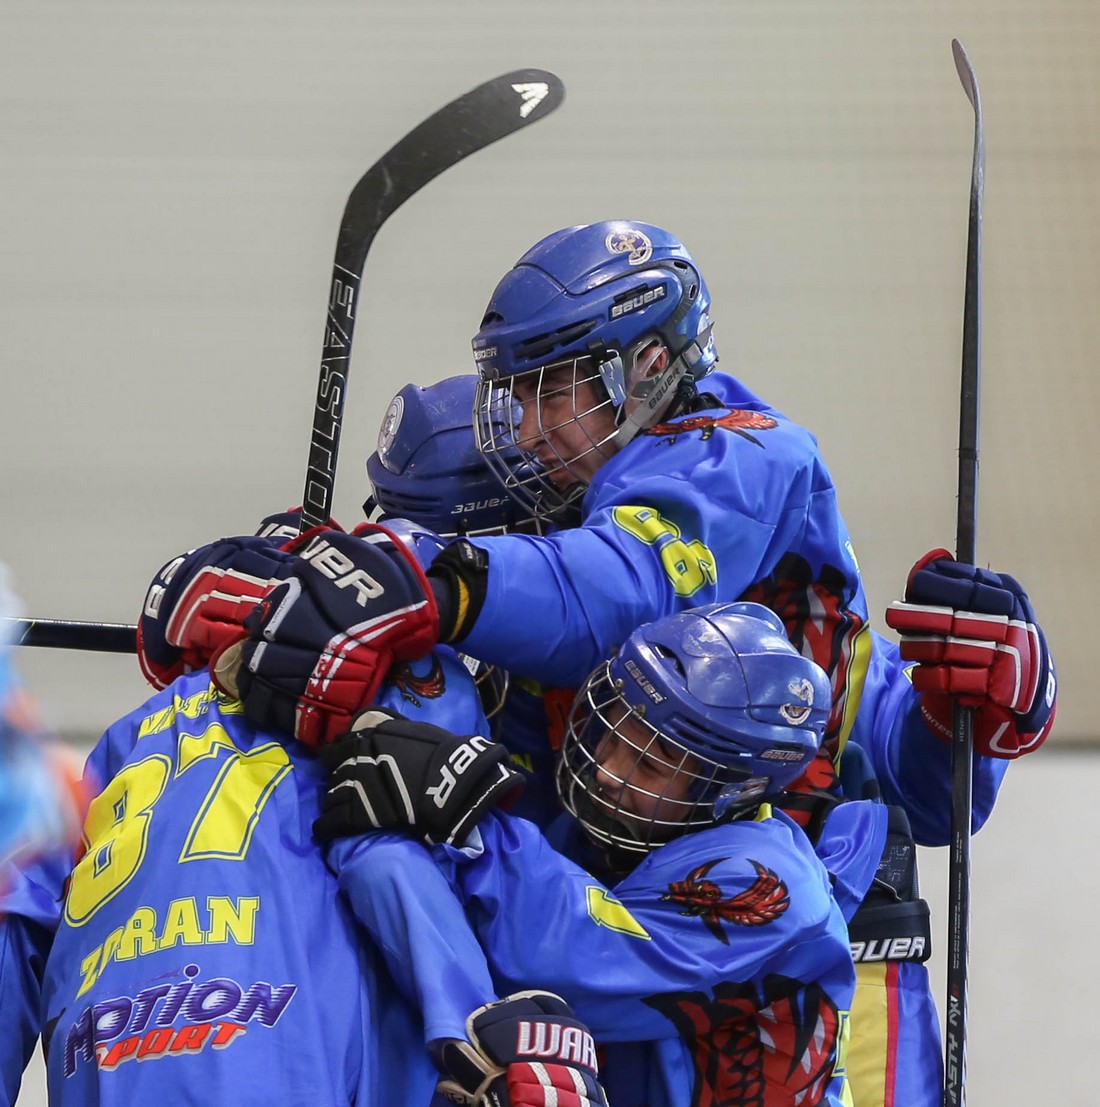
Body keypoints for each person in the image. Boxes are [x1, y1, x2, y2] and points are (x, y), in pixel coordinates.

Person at [0, 530, 607, 1107]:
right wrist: (471, 1025)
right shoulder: (350, 702)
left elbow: (14, 922)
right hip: (282, 1058)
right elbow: (385, 861)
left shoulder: (115, 748)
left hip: (111, 1061)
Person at [312, 601, 868, 1107]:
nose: (606, 772)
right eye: (612, 735)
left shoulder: (767, 885)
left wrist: (462, 808)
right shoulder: (601, 834)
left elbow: (567, 961)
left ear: (732, 790)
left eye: (649, 764)